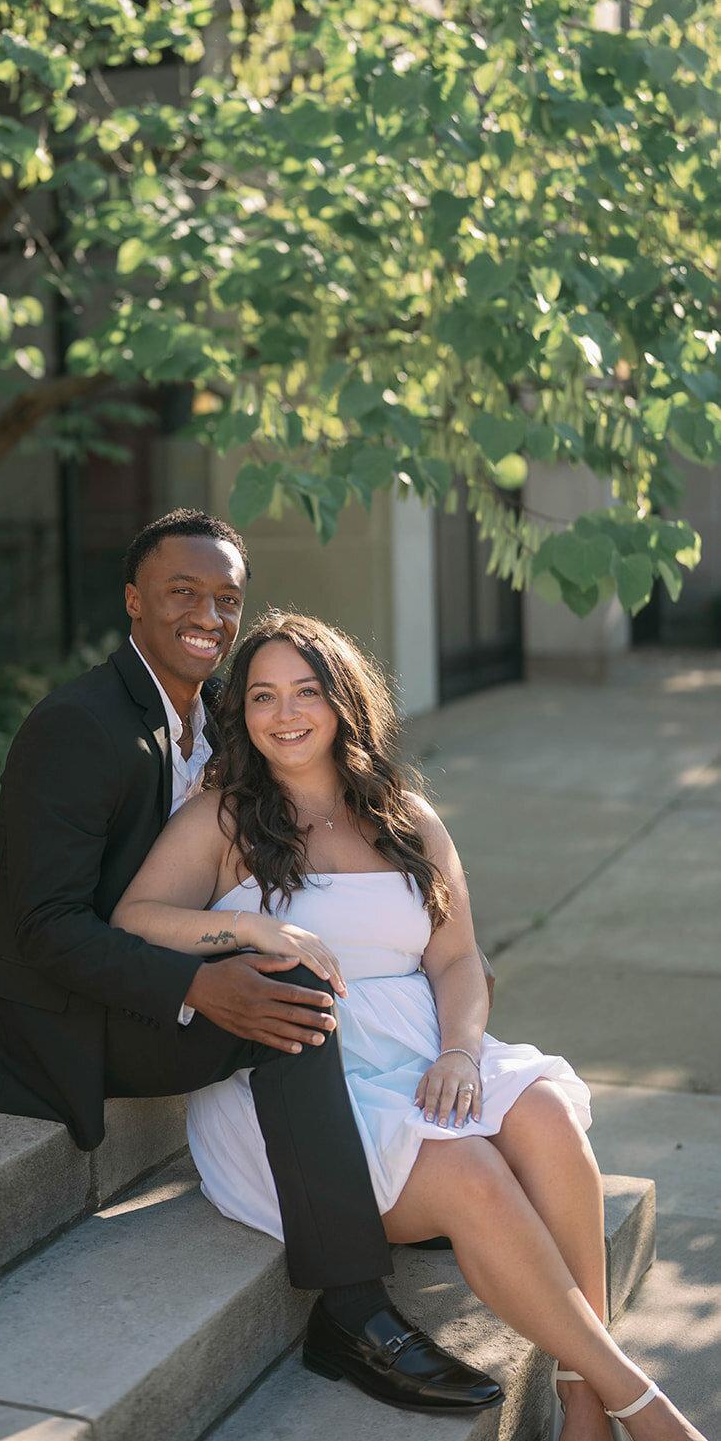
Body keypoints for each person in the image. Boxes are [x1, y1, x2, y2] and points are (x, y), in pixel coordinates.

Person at [0, 508, 501, 1417]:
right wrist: (203, 981)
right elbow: (38, 929)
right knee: (281, 997)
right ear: (132, 602)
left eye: (226, 598)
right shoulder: (78, 726)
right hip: (56, 1018)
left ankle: (398, 1194)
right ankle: (353, 1309)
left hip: (144, 977)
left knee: (297, 983)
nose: (207, 613)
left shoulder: (207, 718)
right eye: (181, 593)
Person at [111, 612, 708, 1441]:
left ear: (343, 702)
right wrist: (248, 928)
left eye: (306, 692)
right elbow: (136, 918)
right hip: (294, 1094)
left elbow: (457, 960)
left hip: (422, 1057)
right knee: (469, 1169)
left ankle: (580, 1399)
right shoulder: (224, 820)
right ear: (240, 713)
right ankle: (644, 1407)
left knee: (542, 1110)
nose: (285, 714)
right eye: (262, 696)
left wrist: (461, 1052)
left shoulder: (404, 817)